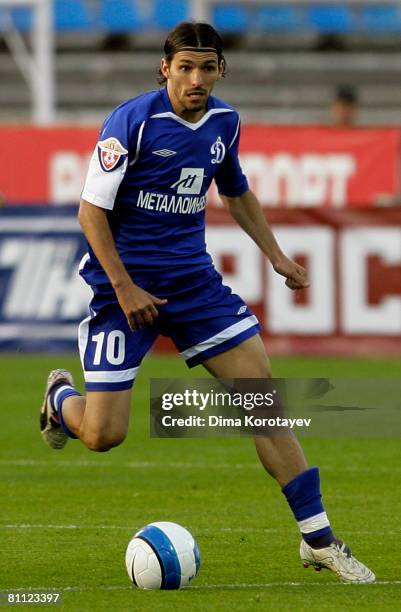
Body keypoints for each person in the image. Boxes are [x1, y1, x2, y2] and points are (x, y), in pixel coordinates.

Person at [40, 22, 374, 583]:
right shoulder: (131, 123)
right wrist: (124, 288)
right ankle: (60, 398)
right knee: (103, 436)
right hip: (123, 290)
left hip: (195, 287)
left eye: (207, 67)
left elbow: (236, 191)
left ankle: (319, 539)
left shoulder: (225, 122)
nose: (197, 78)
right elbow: (90, 213)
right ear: (164, 68)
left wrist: (276, 256)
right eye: (186, 67)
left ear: (222, 70)